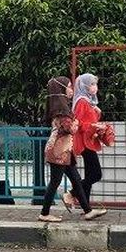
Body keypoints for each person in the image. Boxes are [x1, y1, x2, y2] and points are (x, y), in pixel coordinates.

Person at [39, 76, 102, 222]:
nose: (71, 89)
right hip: (59, 151)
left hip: (65, 150)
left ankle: (88, 211)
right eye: (69, 86)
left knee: (76, 179)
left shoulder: (60, 106)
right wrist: (79, 122)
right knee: (55, 181)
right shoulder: (61, 109)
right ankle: (44, 213)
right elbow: (70, 129)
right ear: (61, 89)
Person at [63, 73, 107, 216]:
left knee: (89, 174)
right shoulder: (82, 101)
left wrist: (97, 114)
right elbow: (80, 123)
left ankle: (86, 207)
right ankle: (71, 193)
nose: (95, 87)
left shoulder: (88, 101)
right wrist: (96, 126)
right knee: (96, 174)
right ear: (84, 86)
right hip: (85, 142)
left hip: (88, 140)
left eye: (95, 84)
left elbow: (89, 118)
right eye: (92, 84)